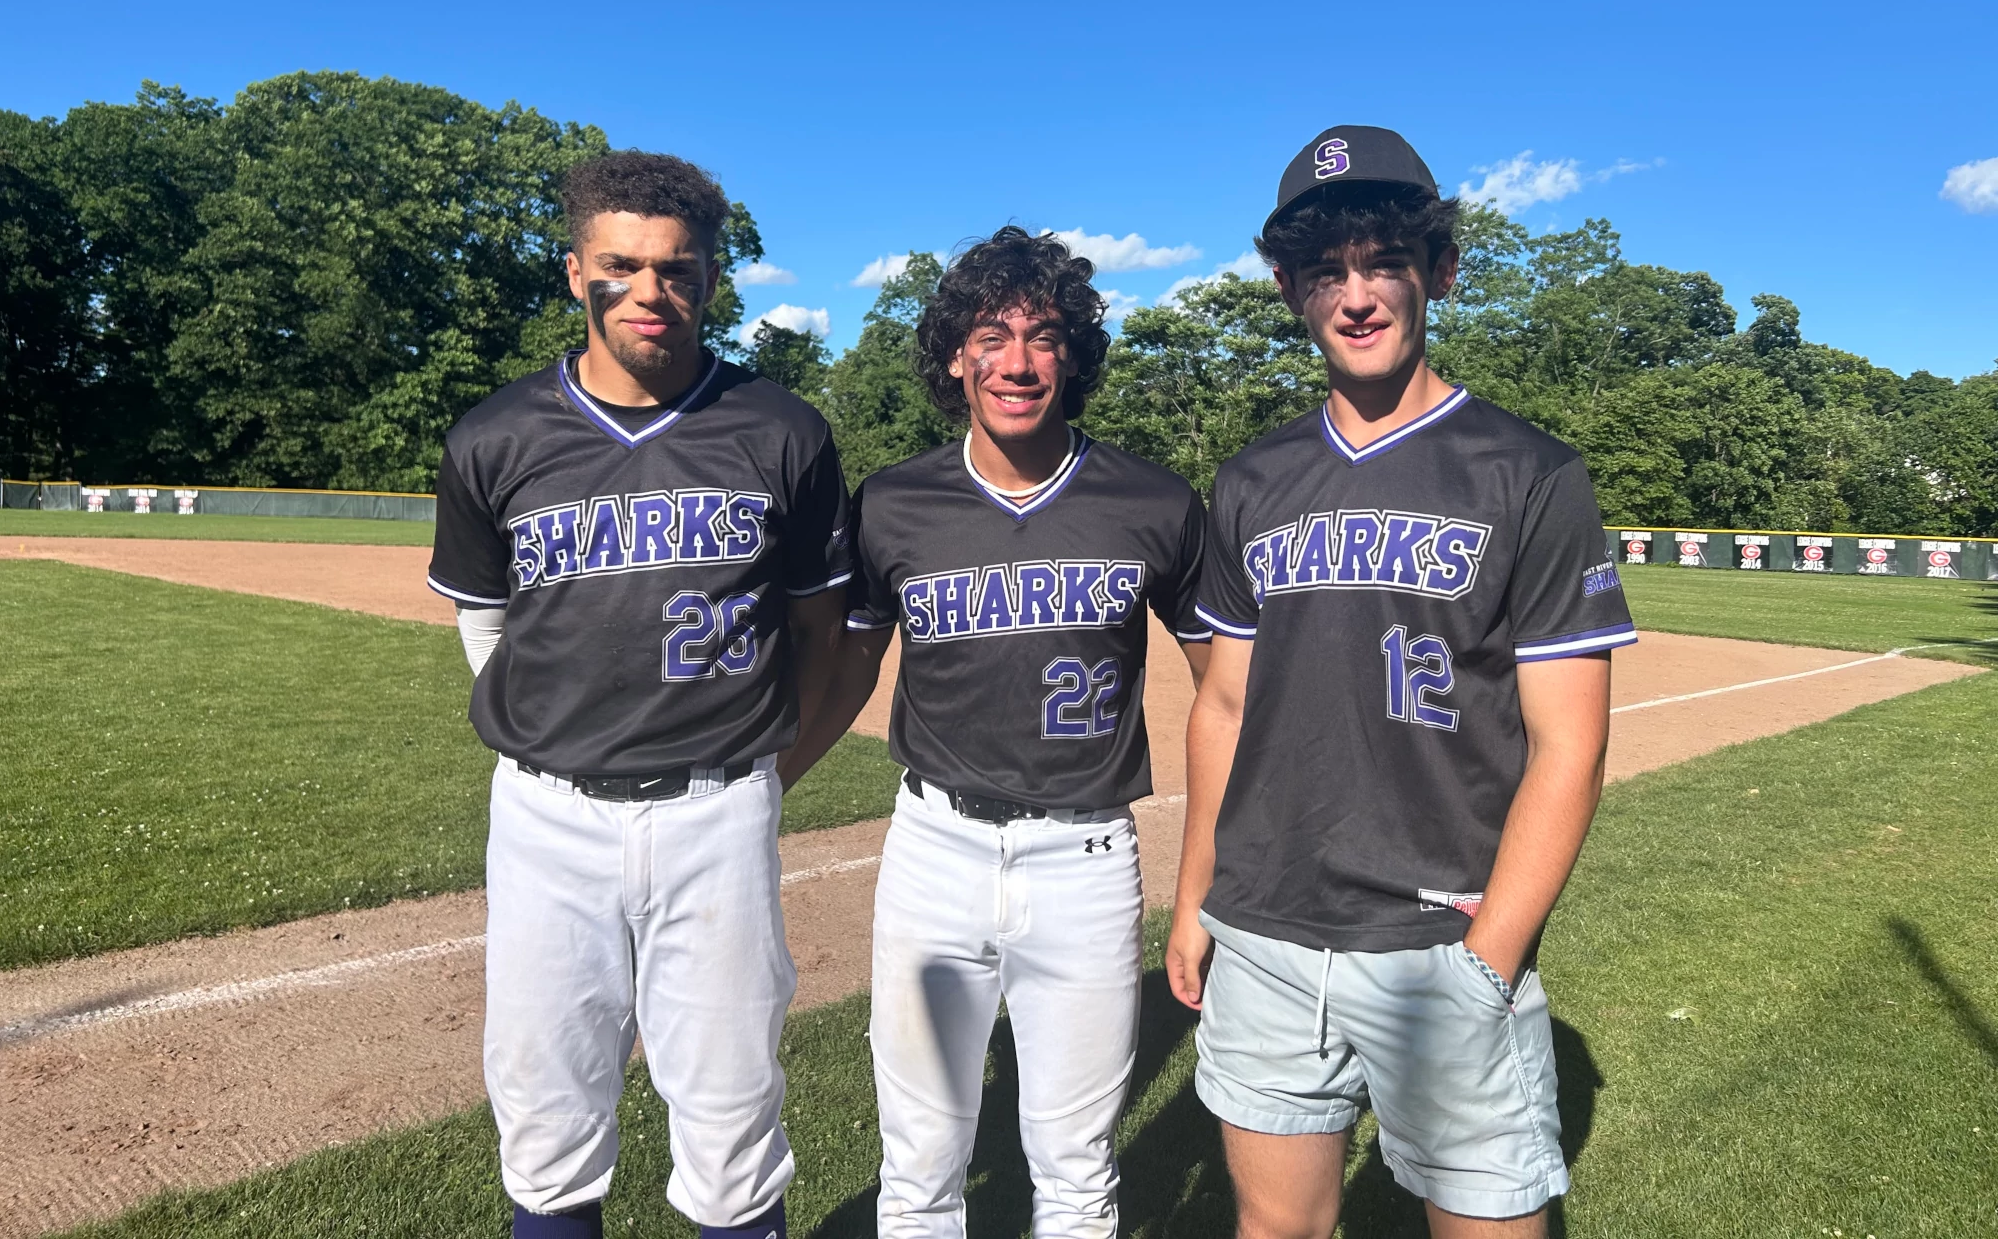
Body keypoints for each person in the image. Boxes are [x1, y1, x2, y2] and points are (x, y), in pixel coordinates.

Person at [1166, 127, 1636, 1238]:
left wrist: (1489, 962)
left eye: (1383, 262)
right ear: (1288, 288)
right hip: (1268, 936)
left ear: (1439, 272)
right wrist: (1192, 904)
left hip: (1440, 942)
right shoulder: (1253, 479)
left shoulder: (1527, 473)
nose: (1357, 295)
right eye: (1326, 270)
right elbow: (1222, 706)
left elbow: (1568, 747)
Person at [426, 151, 850, 1239]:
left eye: (679, 269)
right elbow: (485, 622)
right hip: (544, 815)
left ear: (710, 280)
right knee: (546, 1109)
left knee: (730, 1115)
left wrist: (759, 774)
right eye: (622, 265)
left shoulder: (782, 431)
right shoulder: (494, 435)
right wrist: (553, 730)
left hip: (717, 809)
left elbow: (816, 630)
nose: (650, 291)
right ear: (577, 273)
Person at [782, 228, 1209, 1239]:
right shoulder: (893, 503)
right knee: (920, 1162)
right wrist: (762, 784)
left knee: (1073, 1170)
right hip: (934, 851)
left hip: (1087, 856)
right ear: (955, 358)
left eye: (1043, 336)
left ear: (1073, 356)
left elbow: (1226, 689)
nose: (1017, 361)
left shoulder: (1150, 502)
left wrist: (1205, 885)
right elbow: (844, 664)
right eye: (992, 336)